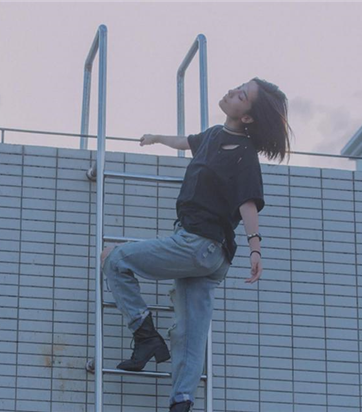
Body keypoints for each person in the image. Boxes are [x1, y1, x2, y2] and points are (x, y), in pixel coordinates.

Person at [100, 77, 293, 412]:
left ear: (247, 116)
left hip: (199, 245)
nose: (232, 91)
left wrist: (256, 249)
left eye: (241, 95)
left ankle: (145, 336)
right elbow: (187, 141)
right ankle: (182, 401)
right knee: (188, 334)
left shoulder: (245, 154)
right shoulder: (213, 136)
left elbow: (248, 203)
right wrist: (157, 138)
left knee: (115, 259)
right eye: (238, 86)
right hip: (205, 255)